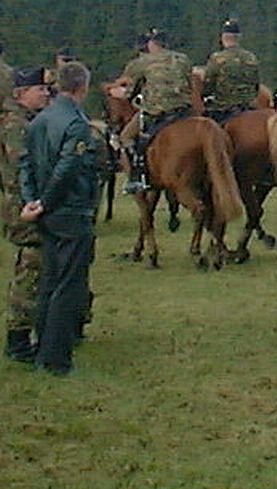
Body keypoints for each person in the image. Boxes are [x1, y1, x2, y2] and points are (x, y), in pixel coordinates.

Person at [19, 61, 98, 376]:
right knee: (69, 285)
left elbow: (26, 164)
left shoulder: (39, 120)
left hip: (45, 212)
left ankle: (42, 347)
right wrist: (48, 201)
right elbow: (68, 168)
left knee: (50, 281)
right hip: (70, 210)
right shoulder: (76, 123)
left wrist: (32, 201)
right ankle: (56, 359)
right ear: (83, 87)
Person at [1, 67, 50, 363]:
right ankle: (17, 338)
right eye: (39, 90)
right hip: (23, 205)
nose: (45, 93)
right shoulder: (15, 125)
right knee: (31, 266)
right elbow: (23, 164)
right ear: (21, 95)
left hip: (29, 202)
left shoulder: (25, 121)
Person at [110, 29, 193, 193]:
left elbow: (129, 88)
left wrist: (118, 93)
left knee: (126, 137)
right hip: (183, 111)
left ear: (151, 44)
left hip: (157, 111)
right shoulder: (183, 59)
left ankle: (136, 176)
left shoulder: (142, 62)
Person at [203, 18, 259, 124]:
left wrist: (205, 95)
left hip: (224, 107)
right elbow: (256, 84)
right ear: (239, 38)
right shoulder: (251, 57)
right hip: (249, 105)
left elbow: (209, 84)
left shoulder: (217, 58)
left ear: (223, 38)